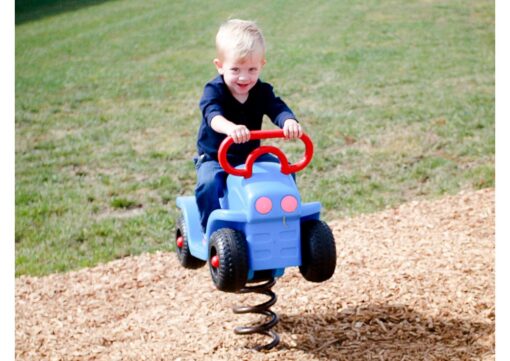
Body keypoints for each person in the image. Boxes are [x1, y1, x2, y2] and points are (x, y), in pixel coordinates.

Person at [194, 19, 303, 232]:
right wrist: (230, 128)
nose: (244, 77)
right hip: (216, 156)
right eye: (235, 69)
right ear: (219, 66)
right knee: (207, 184)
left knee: (284, 170)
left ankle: (281, 217)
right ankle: (212, 230)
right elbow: (212, 115)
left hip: (250, 155)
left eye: (252, 69)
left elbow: (276, 107)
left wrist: (288, 121)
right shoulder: (214, 90)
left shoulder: (261, 91)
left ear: (262, 65)